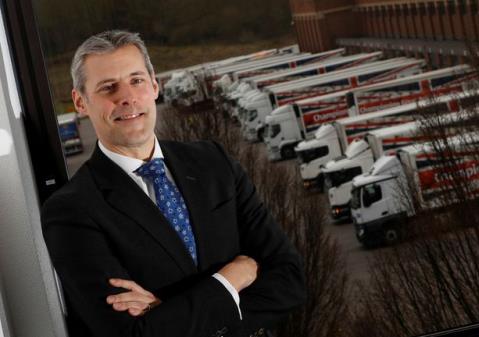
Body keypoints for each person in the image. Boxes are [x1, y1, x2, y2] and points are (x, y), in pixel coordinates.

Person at [41, 30, 306, 337]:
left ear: (155, 85)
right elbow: (131, 335)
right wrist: (231, 279)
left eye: (136, 80)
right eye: (108, 87)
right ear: (80, 102)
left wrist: (167, 310)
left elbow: (290, 280)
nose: (126, 96)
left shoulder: (213, 163)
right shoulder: (71, 211)